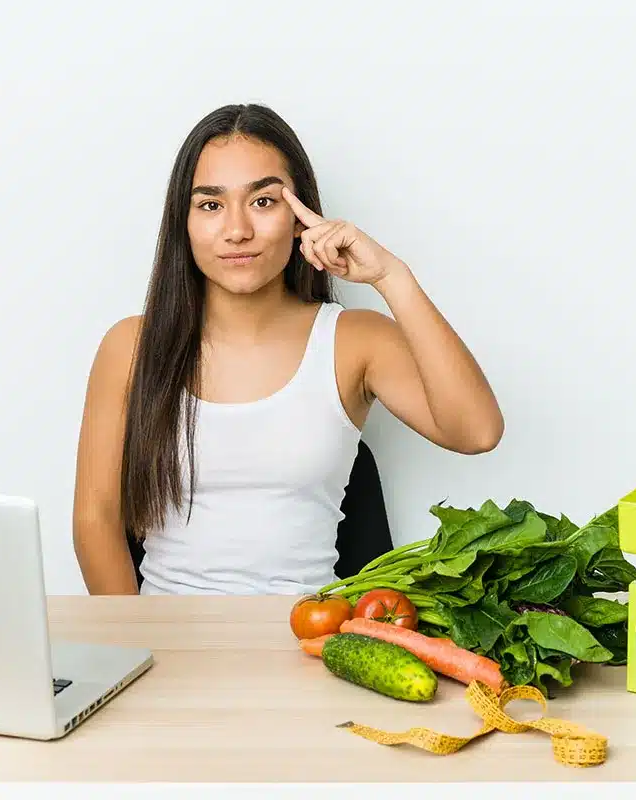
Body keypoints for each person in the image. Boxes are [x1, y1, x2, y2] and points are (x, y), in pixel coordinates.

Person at [72, 103, 504, 596]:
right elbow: (95, 520)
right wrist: (139, 653)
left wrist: (391, 276)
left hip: (308, 641)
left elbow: (477, 431)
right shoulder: (130, 345)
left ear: (301, 216)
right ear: (183, 223)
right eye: (210, 205)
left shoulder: (355, 340)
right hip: (166, 644)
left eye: (263, 202)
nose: (237, 230)